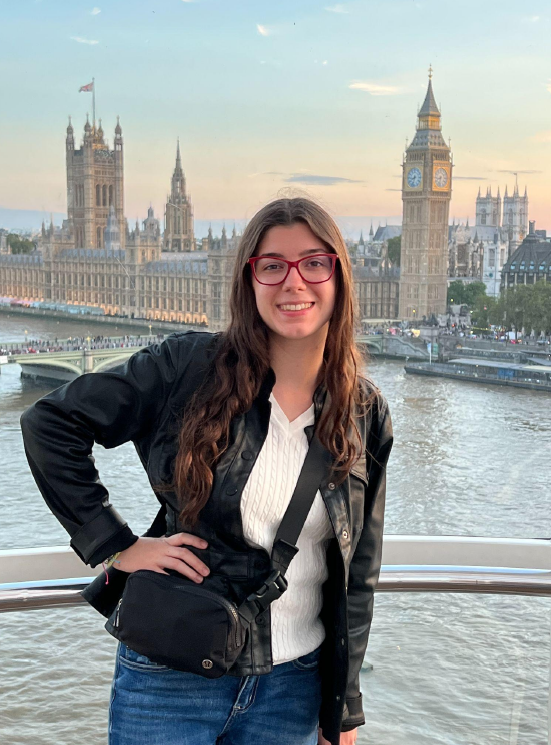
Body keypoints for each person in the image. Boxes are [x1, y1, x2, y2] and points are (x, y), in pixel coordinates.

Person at [20, 197, 393, 745]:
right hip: (171, 677)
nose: (295, 282)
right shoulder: (189, 369)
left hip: (293, 688)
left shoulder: (364, 412)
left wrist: (343, 707)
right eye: (272, 265)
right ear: (248, 280)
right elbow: (50, 424)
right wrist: (116, 544)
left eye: (315, 263)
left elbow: (359, 572)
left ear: (340, 276)